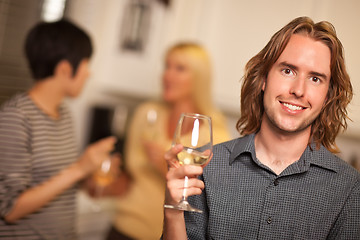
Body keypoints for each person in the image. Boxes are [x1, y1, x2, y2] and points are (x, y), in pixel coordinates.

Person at [163, 16, 360, 239]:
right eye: (288, 71)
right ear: (264, 78)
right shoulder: (208, 166)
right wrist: (173, 212)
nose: (298, 90)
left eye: (315, 78)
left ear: (327, 96)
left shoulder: (349, 187)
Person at [0, 19, 116, 239]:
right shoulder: (15, 117)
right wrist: (79, 169)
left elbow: (57, 182)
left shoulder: (63, 114)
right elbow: (9, 209)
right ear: (64, 69)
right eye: (85, 65)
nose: (88, 74)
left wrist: (90, 172)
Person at [106, 42, 231, 240]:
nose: (167, 75)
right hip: (122, 228)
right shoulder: (146, 114)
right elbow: (128, 177)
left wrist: (162, 166)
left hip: (166, 234)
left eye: (179, 69)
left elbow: (210, 199)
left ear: (199, 77)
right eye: (167, 66)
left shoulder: (217, 133)